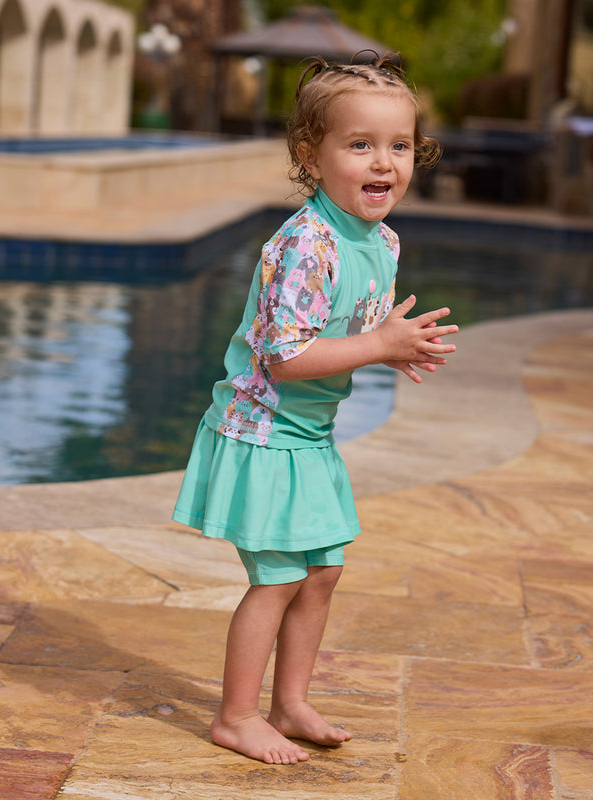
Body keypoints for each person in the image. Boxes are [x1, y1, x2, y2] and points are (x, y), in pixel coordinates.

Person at [172, 54, 457, 765]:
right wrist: (377, 343)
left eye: (399, 146)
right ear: (312, 155)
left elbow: (346, 331)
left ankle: (290, 701)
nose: (383, 163)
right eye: (359, 144)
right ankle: (236, 716)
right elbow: (286, 359)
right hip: (264, 434)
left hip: (308, 435)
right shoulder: (306, 245)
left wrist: (390, 346)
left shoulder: (381, 239)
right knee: (278, 579)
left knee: (321, 572)